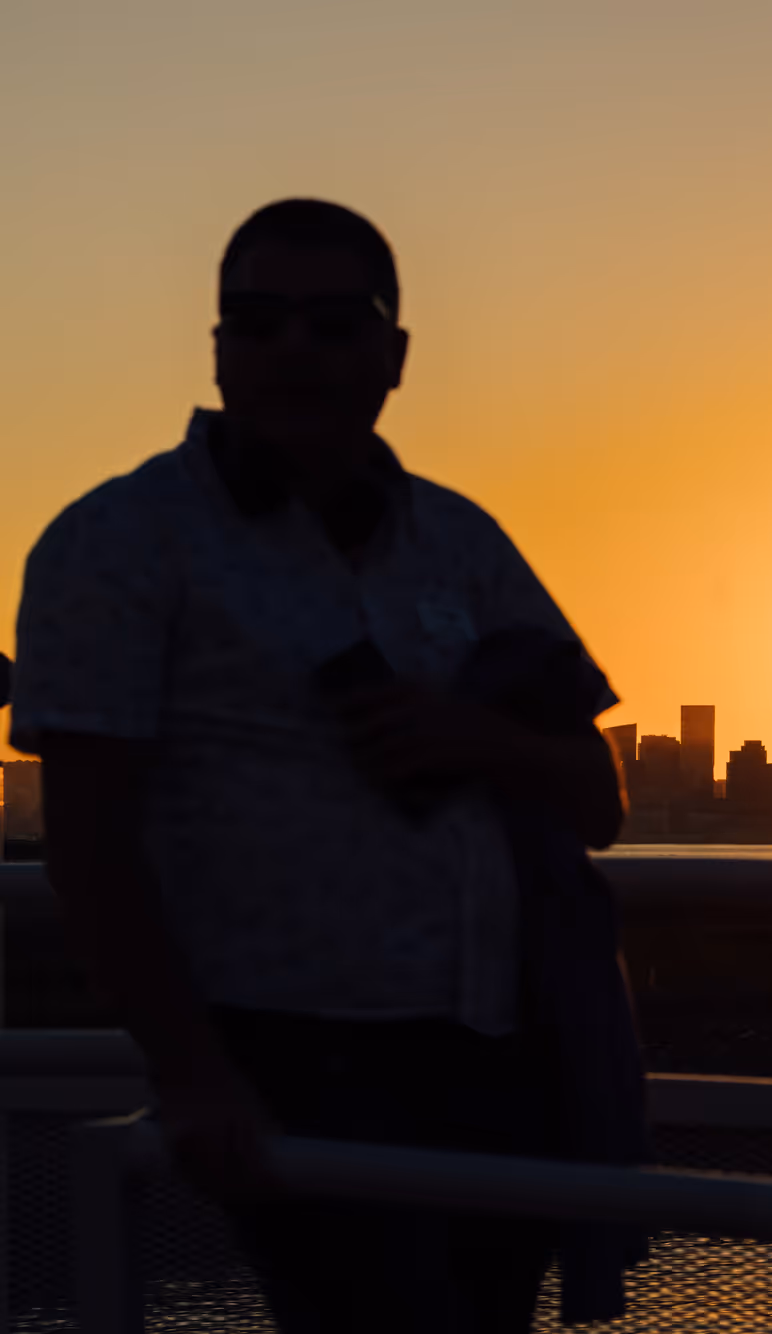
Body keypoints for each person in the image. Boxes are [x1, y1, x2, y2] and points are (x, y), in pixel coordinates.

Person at [13, 200, 628, 1332]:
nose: (292, 347)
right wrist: (192, 1072)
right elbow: (88, 844)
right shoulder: (115, 540)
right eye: (256, 320)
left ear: (393, 354)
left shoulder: (463, 539)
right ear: (216, 347)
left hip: (497, 1046)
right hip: (288, 1048)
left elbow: (599, 799)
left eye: (334, 322)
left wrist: (474, 738)